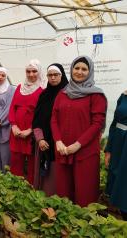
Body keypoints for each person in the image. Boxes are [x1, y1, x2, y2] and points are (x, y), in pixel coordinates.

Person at [51, 56, 107, 207]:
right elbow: (54, 119)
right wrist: (58, 141)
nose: (79, 72)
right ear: (71, 70)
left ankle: (84, 226)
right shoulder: (63, 93)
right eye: (76, 68)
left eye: (84, 69)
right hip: (63, 150)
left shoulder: (96, 95)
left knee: (85, 194)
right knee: (63, 192)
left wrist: (78, 144)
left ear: (90, 72)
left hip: (85, 152)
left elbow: (97, 124)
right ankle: (64, 226)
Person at [32, 63, 68, 196]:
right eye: (50, 75)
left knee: (58, 179)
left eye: (56, 75)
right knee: (43, 177)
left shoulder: (68, 94)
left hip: (61, 144)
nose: (52, 78)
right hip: (43, 142)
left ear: (61, 75)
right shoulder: (44, 95)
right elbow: (36, 120)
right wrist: (40, 139)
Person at [8, 59, 44, 185]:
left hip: (31, 133)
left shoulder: (42, 90)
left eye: (34, 71)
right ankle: (14, 188)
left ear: (39, 72)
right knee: (16, 161)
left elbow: (41, 114)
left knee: (32, 164)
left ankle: (30, 190)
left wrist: (30, 129)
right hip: (16, 132)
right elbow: (12, 107)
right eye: (28, 71)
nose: (31, 74)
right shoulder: (19, 88)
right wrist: (14, 126)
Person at [105, 90, 127, 220]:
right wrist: (109, 149)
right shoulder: (123, 96)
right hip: (119, 143)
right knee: (116, 175)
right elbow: (114, 123)